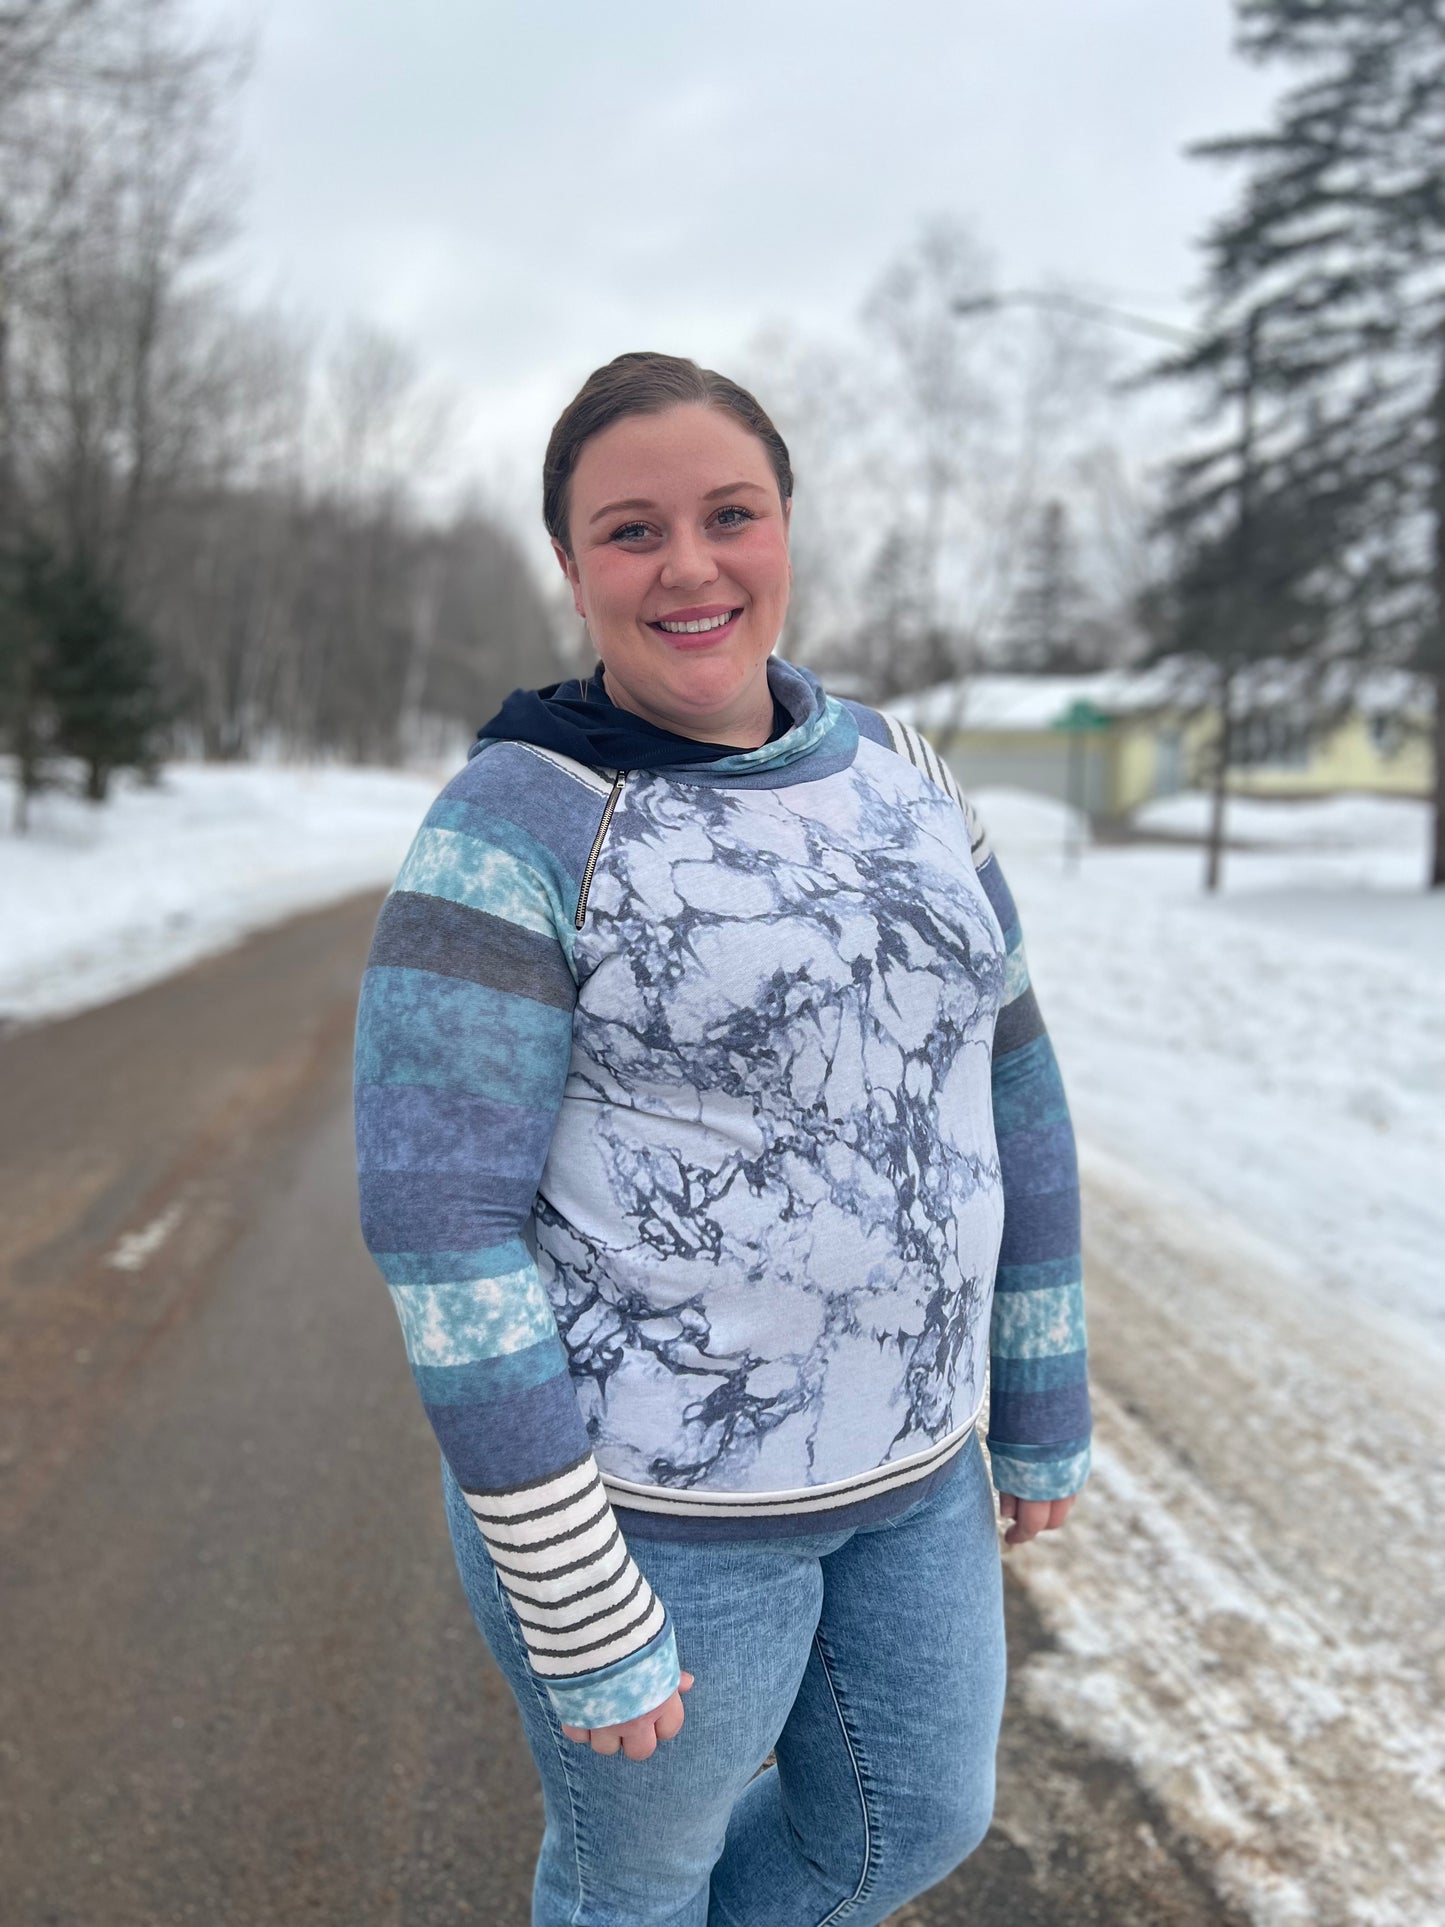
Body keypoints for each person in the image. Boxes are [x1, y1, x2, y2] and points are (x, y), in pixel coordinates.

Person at [353, 351, 1089, 1927]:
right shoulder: (519, 820)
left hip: (914, 1476)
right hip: (658, 1520)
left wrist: (1038, 1388)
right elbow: (438, 1225)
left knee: (912, 1827)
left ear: (783, 531)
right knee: (640, 1882)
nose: (688, 565)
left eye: (728, 515)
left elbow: (1011, 1083)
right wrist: (572, 1587)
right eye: (630, 531)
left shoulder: (901, 772)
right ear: (570, 569)